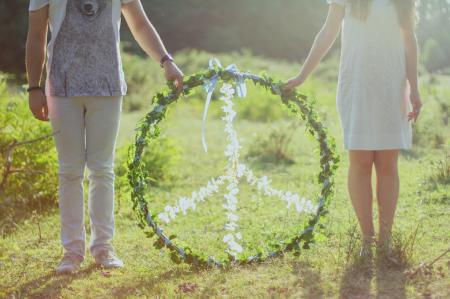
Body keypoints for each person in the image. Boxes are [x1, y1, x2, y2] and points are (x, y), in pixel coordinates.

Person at [26, 0, 184, 274]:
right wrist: (33, 87)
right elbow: (37, 34)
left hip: (108, 86)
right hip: (61, 88)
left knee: (102, 170)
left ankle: (103, 248)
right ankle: (72, 252)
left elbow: (140, 24)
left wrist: (166, 60)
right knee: (69, 171)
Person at [284, 0, 422, 258]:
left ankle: (385, 239)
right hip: (357, 84)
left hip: (392, 85)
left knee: (388, 165)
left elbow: (409, 38)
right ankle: (366, 240)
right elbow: (327, 32)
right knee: (359, 163)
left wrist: (414, 87)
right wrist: (302, 76)